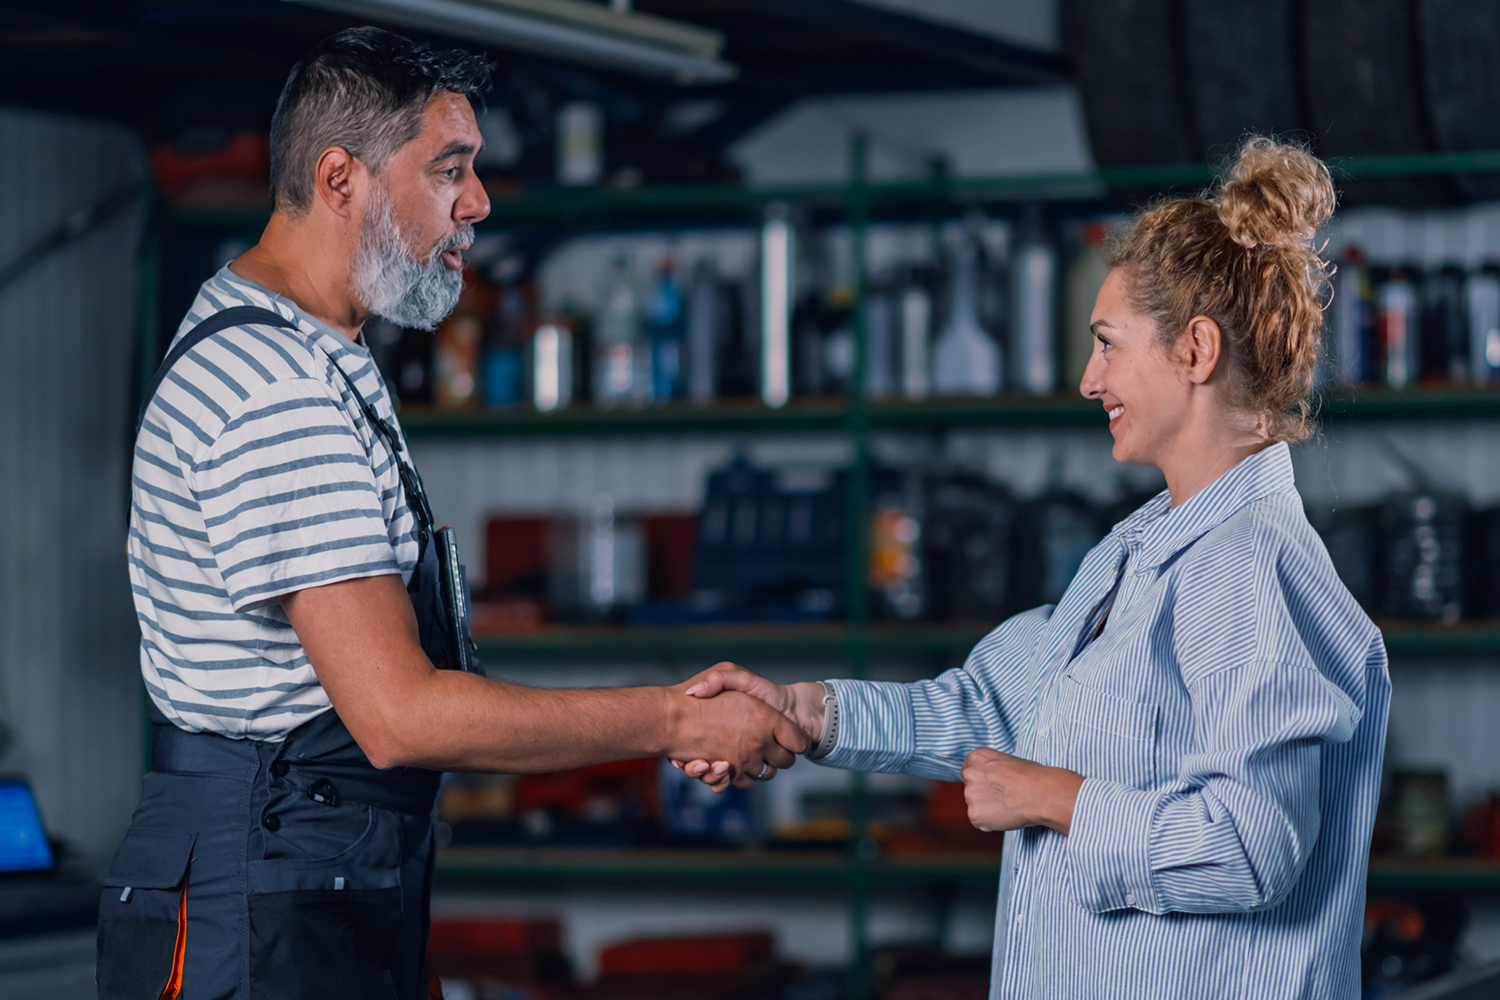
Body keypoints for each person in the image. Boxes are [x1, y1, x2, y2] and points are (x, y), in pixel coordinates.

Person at [99, 27, 805, 1000]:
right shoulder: (276, 390)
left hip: (309, 876)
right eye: (449, 170)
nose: (478, 201)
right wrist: (672, 719)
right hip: (259, 901)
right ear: (340, 179)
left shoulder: (314, 351)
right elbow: (400, 715)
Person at [681, 138, 1389, 999]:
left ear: (1196, 351)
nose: (1089, 380)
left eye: (1108, 345)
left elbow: (1250, 847)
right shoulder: (1139, 551)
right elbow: (997, 707)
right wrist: (809, 712)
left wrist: (1055, 799)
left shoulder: (1246, 566)